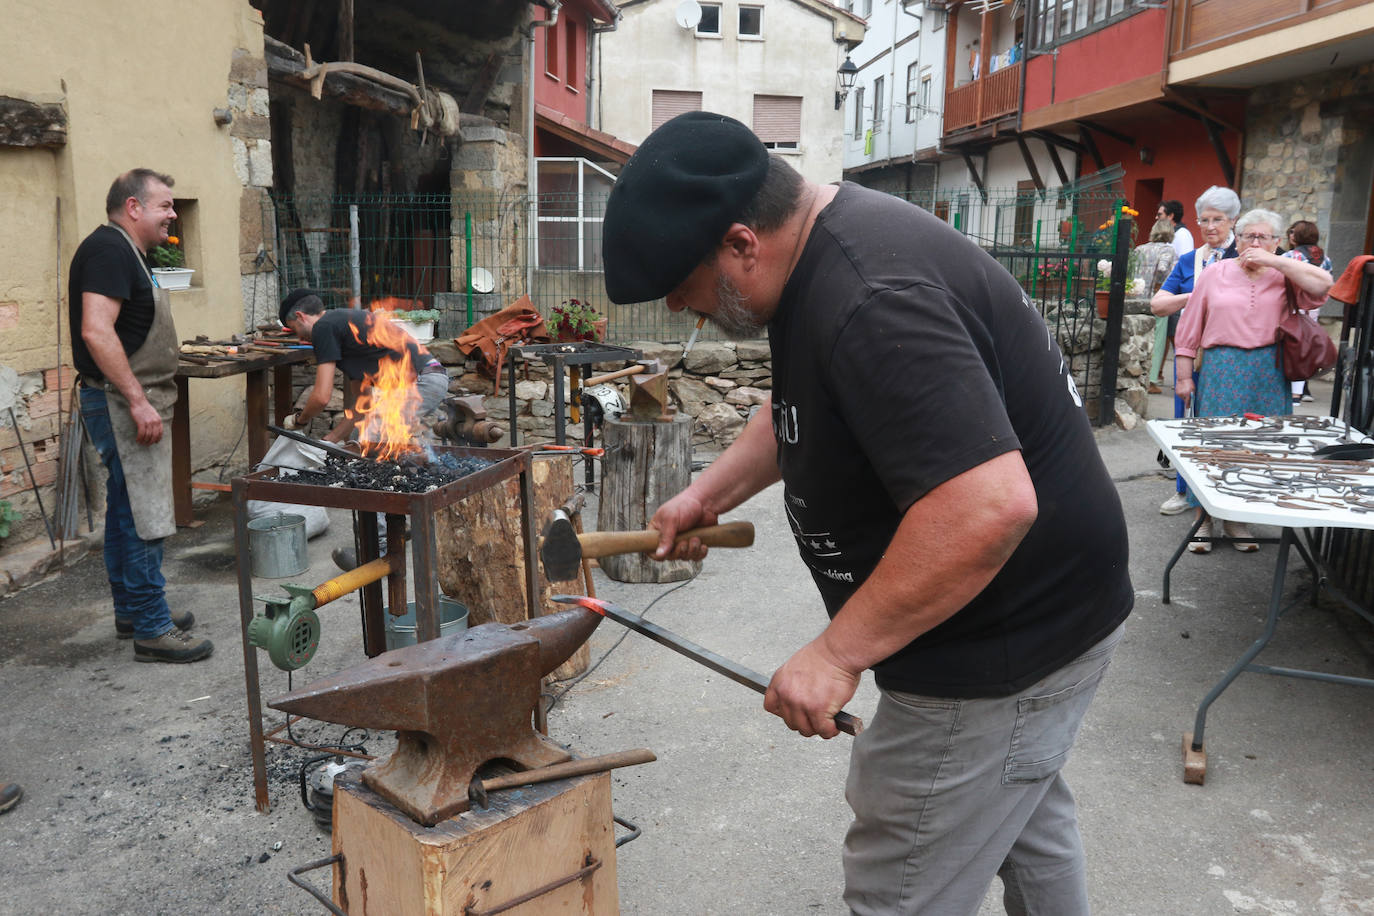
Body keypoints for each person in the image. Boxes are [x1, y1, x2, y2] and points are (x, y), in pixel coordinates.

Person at [602, 112, 1132, 915]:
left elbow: (987, 509)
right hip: (1053, 610)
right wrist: (708, 494)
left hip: (1000, 643)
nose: (681, 307)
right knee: (1023, 814)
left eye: (683, 285)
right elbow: (800, 405)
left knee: (901, 883)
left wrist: (835, 654)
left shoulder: (872, 297)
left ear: (741, 244)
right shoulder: (825, 250)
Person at [70, 169, 211, 663]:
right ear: (133, 207)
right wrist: (136, 399)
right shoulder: (109, 250)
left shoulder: (127, 252)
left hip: (128, 399)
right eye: (165, 205)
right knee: (145, 513)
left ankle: (133, 611)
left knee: (126, 509)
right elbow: (96, 331)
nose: (173, 215)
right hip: (121, 402)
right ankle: (152, 627)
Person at [1174, 208, 1334, 553]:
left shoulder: (1285, 274)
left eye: (1263, 237)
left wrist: (1276, 262)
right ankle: (1203, 518)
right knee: (1215, 444)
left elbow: (1324, 285)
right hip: (1221, 367)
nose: (1255, 243)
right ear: (1238, 239)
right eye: (1249, 236)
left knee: (1260, 447)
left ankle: (1237, 520)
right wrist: (1184, 376)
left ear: (1277, 242)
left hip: (1269, 369)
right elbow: (1189, 327)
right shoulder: (1215, 273)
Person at [1150, 186, 1241, 516]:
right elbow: (1158, 304)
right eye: (1204, 219)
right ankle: (1184, 491)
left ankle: (1228, 496)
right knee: (1186, 422)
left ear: (1233, 221)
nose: (1210, 226)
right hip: (1191, 354)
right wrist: (1195, 296)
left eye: (1218, 219)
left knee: (1227, 428)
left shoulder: (1244, 257)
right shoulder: (1190, 260)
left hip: (1232, 358)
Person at [278, 291, 449, 445]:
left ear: (300, 316)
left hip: (422, 382)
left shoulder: (323, 327)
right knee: (357, 438)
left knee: (369, 442)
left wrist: (299, 420)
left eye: (294, 329)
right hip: (429, 378)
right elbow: (364, 402)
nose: (299, 338)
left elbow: (321, 397)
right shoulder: (341, 326)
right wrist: (330, 441)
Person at [1283, 220, 1334, 404]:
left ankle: (1292, 392)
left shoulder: (1291, 256)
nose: (1290, 235)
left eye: (1293, 232)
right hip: (1313, 308)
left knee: (1291, 348)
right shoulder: (1324, 257)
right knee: (1304, 348)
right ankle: (1299, 392)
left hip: (1291, 306)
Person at [1141, 218, 1182, 392]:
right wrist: (1159, 286)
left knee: (1141, 339)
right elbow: (1163, 268)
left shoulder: (1140, 248)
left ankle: (1140, 376)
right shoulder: (1168, 250)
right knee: (1157, 341)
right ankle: (1151, 380)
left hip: (1138, 297)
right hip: (1157, 299)